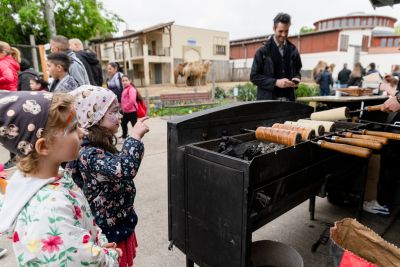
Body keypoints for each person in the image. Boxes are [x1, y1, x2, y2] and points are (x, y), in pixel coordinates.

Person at [0, 91, 121, 266]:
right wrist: (109, 256)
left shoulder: (51, 178)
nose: (82, 132)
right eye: (73, 128)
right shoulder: (49, 209)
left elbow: (77, 232)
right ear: (44, 146)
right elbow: (77, 261)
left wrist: (98, 245)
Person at [66, 85, 149, 267]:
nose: (120, 117)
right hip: (110, 229)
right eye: (113, 112)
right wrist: (134, 137)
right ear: (94, 116)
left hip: (118, 221)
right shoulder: (88, 153)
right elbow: (125, 169)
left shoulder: (98, 145)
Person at [250, 13, 302, 101]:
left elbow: (297, 71)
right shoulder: (263, 51)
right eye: (281, 31)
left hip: (289, 101)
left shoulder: (293, 50)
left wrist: (296, 79)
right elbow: (254, 77)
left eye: (286, 31)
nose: (284, 34)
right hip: (268, 103)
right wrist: (276, 82)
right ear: (274, 28)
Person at [0, 41, 21, 170]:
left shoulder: (3, 63)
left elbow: (8, 78)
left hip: (6, 98)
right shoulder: (9, 61)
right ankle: (16, 156)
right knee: (11, 128)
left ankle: (15, 158)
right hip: (11, 97)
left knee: (7, 129)